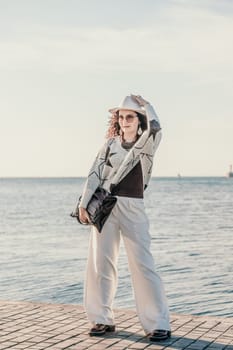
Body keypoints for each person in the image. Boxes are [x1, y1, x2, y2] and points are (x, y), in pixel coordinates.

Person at [73, 94, 171, 341]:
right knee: (100, 263)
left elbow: (157, 126)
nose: (125, 121)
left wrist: (147, 105)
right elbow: (94, 173)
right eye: (121, 117)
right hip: (105, 206)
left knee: (143, 264)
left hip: (133, 206)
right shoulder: (109, 145)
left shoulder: (148, 142)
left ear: (139, 120)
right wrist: (83, 204)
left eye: (130, 117)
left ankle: (158, 323)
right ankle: (101, 319)